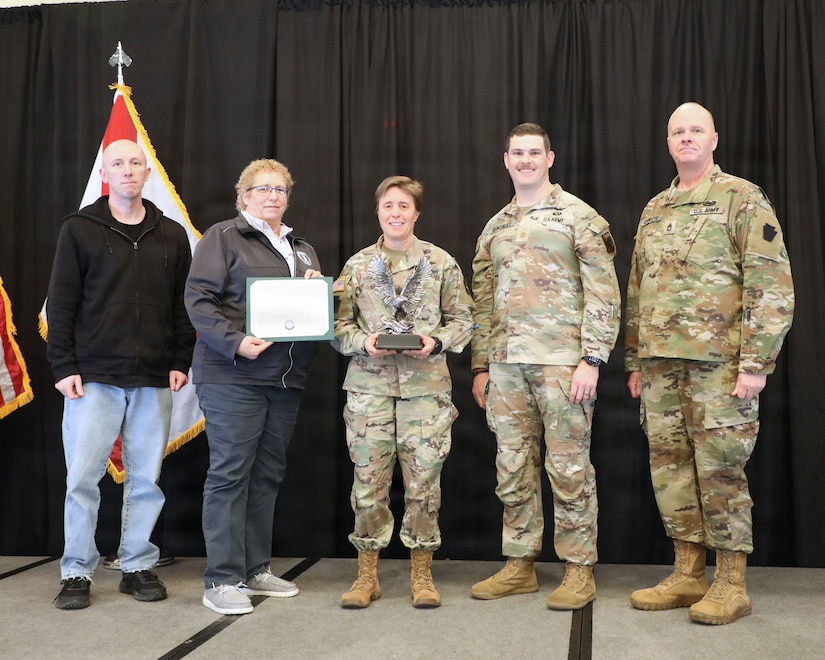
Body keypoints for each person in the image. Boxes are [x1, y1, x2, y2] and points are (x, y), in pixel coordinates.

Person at [625, 102, 794, 625]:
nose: (687, 138)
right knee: (671, 472)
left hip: (719, 366)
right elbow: (637, 286)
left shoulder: (741, 198)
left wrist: (756, 362)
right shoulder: (656, 207)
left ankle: (730, 582)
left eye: (696, 130)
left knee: (721, 470)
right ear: (668, 141)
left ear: (714, 138)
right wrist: (634, 357)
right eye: (678, 131)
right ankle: (688, 572)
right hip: (660, 367)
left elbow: (771, 283)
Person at [470, 123, 621, 610]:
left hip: (563, 364)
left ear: (550, 158)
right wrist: (480, 366)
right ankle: (520, 563)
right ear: (506, 160)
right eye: (518, 153)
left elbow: (604, 291)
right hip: (506, 366)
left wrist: (592, 358)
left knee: (569, 467)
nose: (526, 160)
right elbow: (482, 302)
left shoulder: (578, 216)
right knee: (512, 466)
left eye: (535, 152)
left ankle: (578, 569)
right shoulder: (494, 226)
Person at [47, 139, 195, 610]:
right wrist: (64, 365)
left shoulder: (171, 234)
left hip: (154, 375)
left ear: (147, 172)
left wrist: (180, 359)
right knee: (82, 480)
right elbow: (63, 303)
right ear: (105, 174)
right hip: (92, 377)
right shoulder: (79, 229)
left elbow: (181, 307)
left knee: (146, 480)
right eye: (118, 164)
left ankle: (137, 565)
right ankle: (76, 572)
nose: (128, 170)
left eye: (135, 163)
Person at [185, 158, 323, 615]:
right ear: (243, 196)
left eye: (280, 190)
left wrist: (319, 294)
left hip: (284, 380)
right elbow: (198, 300)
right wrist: (235, 342)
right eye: (262, 189)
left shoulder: (302, 249)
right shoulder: (221, 237)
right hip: (231, 377)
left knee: (266, 476)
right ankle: (221, 579)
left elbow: (308, 315)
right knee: (230, 475)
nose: (272, 197)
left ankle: (254, 569)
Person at [332, 175, 474, 609]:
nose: (395, 213)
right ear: (378, 212)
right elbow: (337, 328)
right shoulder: (357, 266)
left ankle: (421, 573)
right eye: (388, 206)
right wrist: (363, 342)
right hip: (369, 391)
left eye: (404, 206)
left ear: (416, 213)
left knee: (423, 485)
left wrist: (436, 342)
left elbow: (464, 320)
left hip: (425, 391)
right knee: (368, 484)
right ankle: (366, 575)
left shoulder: (440, 262)